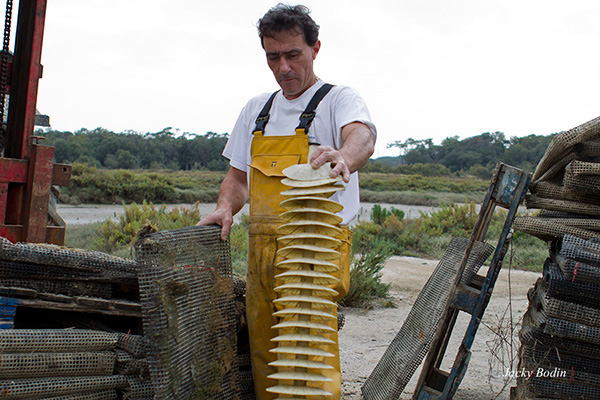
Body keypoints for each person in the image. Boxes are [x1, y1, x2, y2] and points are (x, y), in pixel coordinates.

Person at [197, 4, 376, 399]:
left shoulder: (338, 99)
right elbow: (237, 178)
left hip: (315, 246)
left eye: (293, 54)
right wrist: (226, 207)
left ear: (315, 49)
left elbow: (363, 136)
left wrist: (343, 157)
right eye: (272, 57)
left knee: (307, 348)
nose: (283, 67)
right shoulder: (256, 110)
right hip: (262, 248)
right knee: (267, 348)